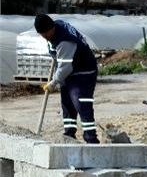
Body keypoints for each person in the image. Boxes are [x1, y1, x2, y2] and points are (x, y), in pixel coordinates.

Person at [34, 14, 100, 143]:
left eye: (46, 34)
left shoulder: (65, 41)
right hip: (70, 69)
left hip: (83, 71)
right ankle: (69, 136)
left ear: (52, 28)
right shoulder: (57, 27)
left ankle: (91, 139)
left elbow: (65, 68)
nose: (45, 37)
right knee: (67, 104)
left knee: (81, 103)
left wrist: (53, 83)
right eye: (42, 34)